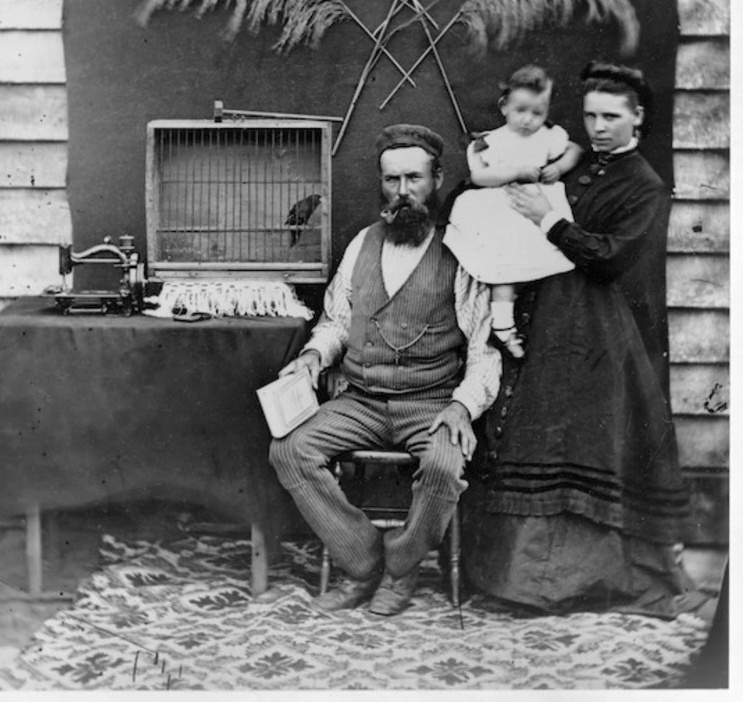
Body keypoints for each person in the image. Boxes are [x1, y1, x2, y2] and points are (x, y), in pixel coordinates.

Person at [461, 62, 704, 618]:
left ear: (638, 117)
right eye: (591, 114)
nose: (598, 127)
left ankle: (578, 580)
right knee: (541, 435)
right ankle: (521, 579)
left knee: (581, 443)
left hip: (601, 329)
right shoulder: (580, 163)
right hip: (552, 317)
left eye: (611, 117)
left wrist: (549, 220)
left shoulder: (645, 184)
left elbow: (612, 257)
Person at [269, 123, 502, 616]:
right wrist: (313, 356)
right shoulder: (362, 244)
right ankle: (362, 563)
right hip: (360, 399)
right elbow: (336, 322)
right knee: (289, 449)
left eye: (414, 178)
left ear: (437, 178)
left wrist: (463, 405)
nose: (402, 192)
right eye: (391, 180)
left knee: (444, 463)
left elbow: (484, 347)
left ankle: (402, 566)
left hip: (431, 401)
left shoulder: (461, 251)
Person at [443, 65, 582, 358]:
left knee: (542, 269)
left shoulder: (548, 135)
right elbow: (479, 177)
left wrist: (558, 167)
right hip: (502, 211)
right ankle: (504, 327)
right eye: (521, 110)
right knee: (504, 270)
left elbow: (574, 150)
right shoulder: (493, 140)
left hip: (537, 211)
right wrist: (515, 171)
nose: (529, 120)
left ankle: (528, 326)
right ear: (504, 106)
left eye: (538, 113)